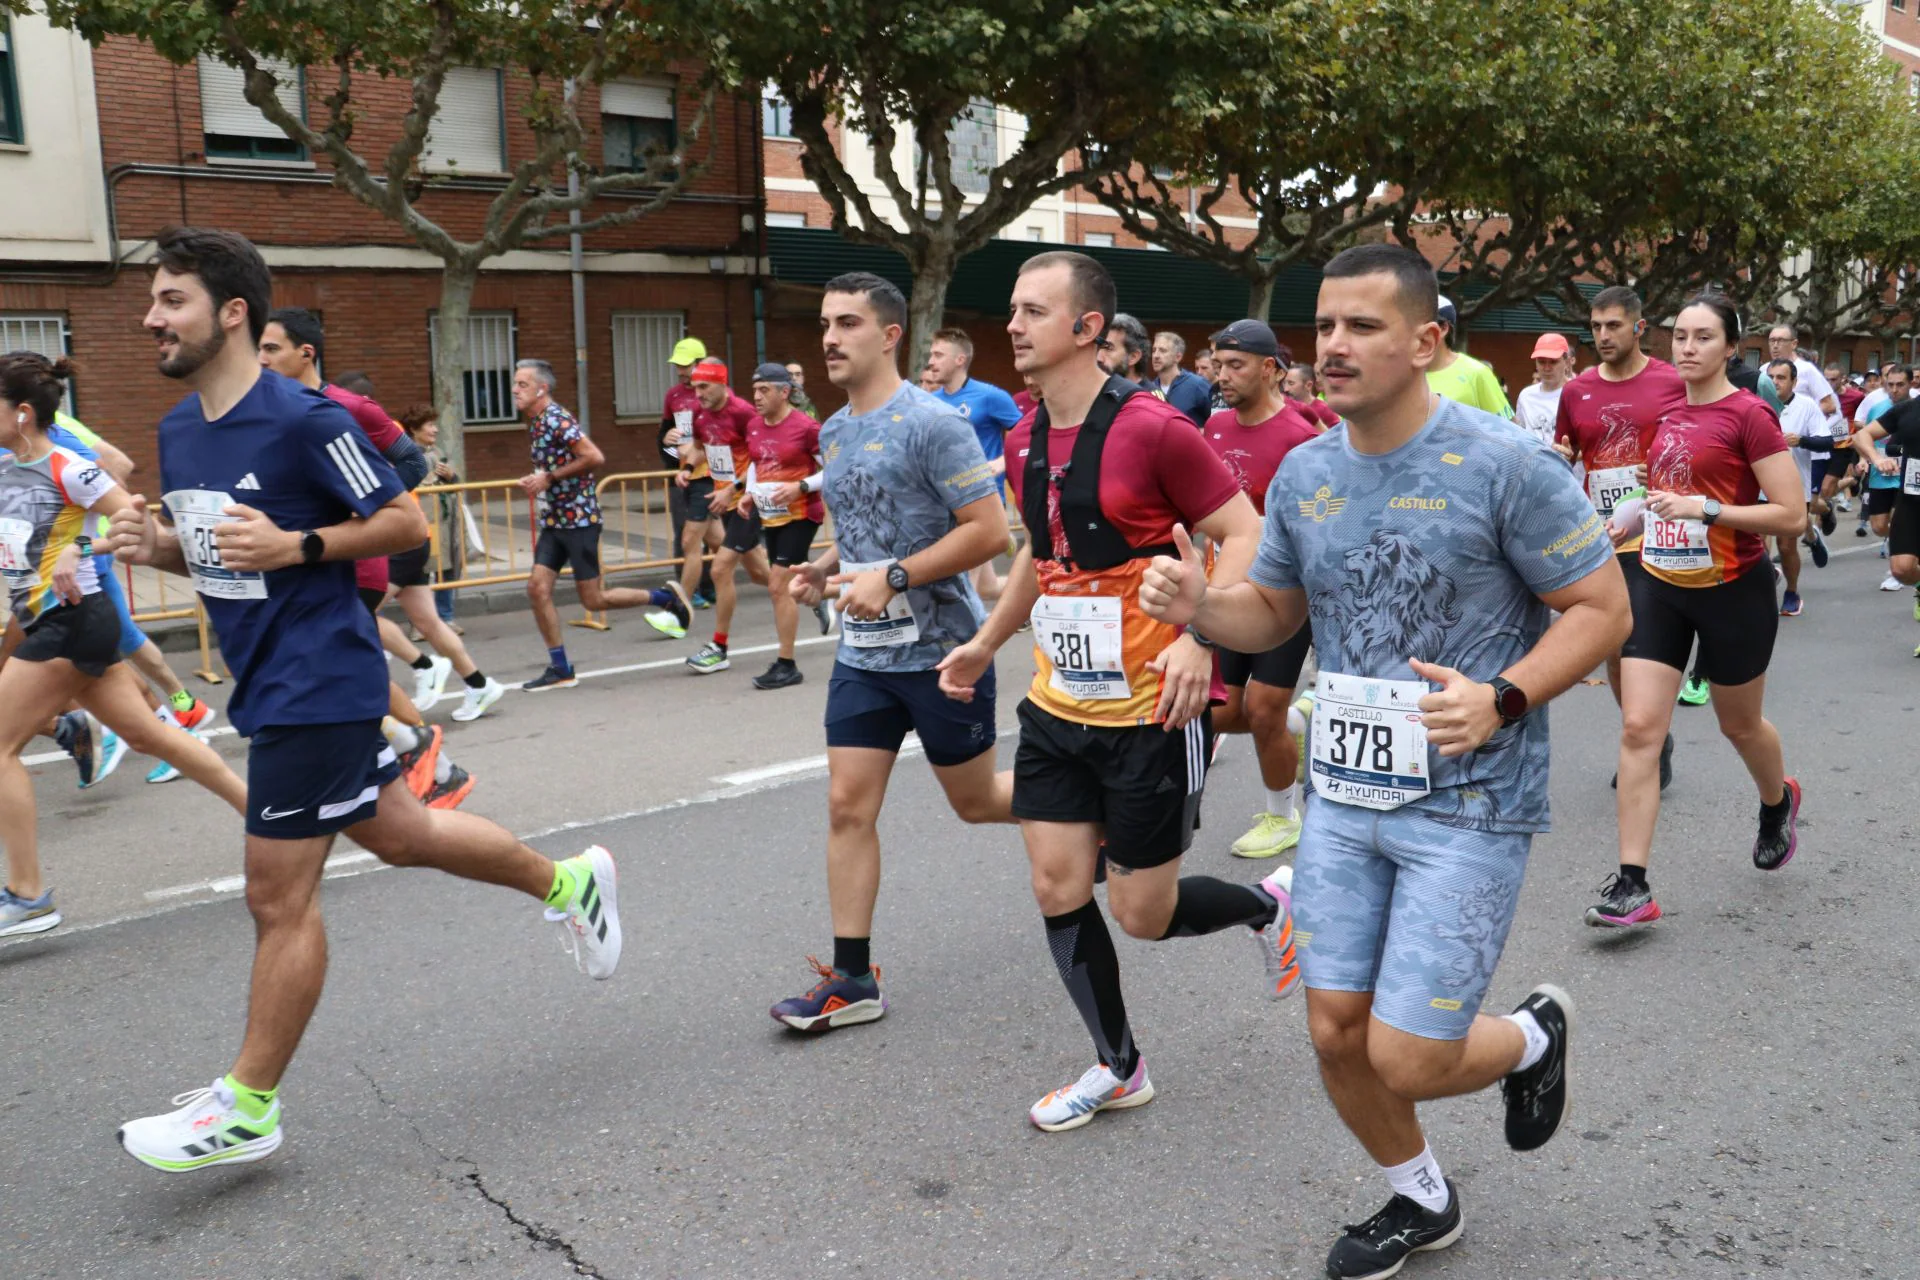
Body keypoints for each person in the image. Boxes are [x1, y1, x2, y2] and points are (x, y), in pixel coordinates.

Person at [1138, 243, 1624, 1278]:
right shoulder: (1308, 471)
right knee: (1335, 1031)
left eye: (1363, 326)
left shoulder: (1506, 464)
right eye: (1325, 327)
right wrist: (1200, 607)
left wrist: (1503, 698)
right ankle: (1422, 1196)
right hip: (1346, 796)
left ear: (1425, 341)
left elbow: (1603, 608)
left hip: (1471, 798)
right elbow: (1273, 608)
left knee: (1408, 1051)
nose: (1336, 347)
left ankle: (1532, 1036)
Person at [106, 226, 621, 1171]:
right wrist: (161, 549)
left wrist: (301, 547)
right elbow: (218, 550)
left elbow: (399, 517)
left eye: (170, 299)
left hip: (321, 678)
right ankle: (571, 882)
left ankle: (249, 1107)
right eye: (152, 300)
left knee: (277, 896)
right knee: (404, 834)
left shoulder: (308, 421)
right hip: (267, 675)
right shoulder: (180, 432)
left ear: (232, 313)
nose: (151, 318)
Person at [935, 252, 1296, 1132]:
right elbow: (1041, 554)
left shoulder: (1154, 428)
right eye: (1013, 310)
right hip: (1058, 709)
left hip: (1150, 713)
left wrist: (1198, 635)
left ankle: (1268, 906)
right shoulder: (1022, 434)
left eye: (1032, 310)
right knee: (1056, 885)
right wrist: (984, 645)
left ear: (1088, 328)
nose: (1012, 325)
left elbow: (1241, 534)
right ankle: (1118, 1065)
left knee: (1142, 913)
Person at [768, 270, 1014, 1032]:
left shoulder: (934, 423)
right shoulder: (834, 430)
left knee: (975, 805)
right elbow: (867, 533)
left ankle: (1099, 814)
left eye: (847, 323)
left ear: (890, 335)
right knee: (847, 806)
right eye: (825, 323)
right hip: (867, 657)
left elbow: (990, 531)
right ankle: (852, 978)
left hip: (943, 651)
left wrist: (897, 575)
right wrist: (827, 569)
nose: (830, 338)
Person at [0, 351, 248, 938]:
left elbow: (136, 522)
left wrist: (82, 549)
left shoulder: (69, 467)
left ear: (23, 414)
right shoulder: (5, 467)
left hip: (75, 619)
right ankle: (267, 818)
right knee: (148, 733)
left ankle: (29, 894)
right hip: (42, 622)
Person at [1591, 293, 1805, 933]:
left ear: (1731, 348)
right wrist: (1626, 517)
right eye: (1679, 336)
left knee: (1739, 726)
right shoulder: (1667, 411)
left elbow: (1790, 514)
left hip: (1733, 586)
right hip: (1659, 581)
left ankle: (1777, 800)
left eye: (1703, 337)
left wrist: (1708, 513)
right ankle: (1633, 884)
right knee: (1639, 728)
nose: (1686, 347)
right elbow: (1660, 485)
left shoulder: (1751, 415)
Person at [257, 309, 471, 806]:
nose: (261, 359)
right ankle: (425, 761)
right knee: (349, 669)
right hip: (306, 561)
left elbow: (414, 461)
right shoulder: (272, 408)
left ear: (306, 353)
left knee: (330, 670)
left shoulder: (350, 407)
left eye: (271, 349)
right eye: (259, 350)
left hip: (356, 560)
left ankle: (414, 757)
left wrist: (367, 513)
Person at [1193, 319, 1318, 860]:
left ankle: (1282, 816)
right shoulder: (1213, 429)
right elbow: (1201, 512)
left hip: (1283, 595)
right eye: (1217, 365)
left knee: (1262, 709)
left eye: (1235, 365)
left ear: (1270, 369)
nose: (1222, 376)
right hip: (1224, 593)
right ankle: (1300, 722)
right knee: (1218, 710)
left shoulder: (1303, 438)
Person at [1553, 284, 1694, 752]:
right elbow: (1568, 452)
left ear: (1639, 328)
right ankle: (1650, 732)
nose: (1603, 335)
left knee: (1643, 637)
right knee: (1614, 645)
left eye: (1613, 325)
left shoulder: (1673, 382)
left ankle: (1645, 735)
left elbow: (1698, 439)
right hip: (1606, 530)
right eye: (1595, 327)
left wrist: (1667, 464)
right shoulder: (1576, 391)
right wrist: (1557, 456)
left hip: (1664, 524)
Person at [515, 359, 687, 690]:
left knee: (594, 600)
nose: (515, 390)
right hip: (555, 519)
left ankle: (663, 598)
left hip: (579, 519)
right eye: (515, 384)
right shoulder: (536, 421)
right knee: (537, 588)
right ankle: (561, 667)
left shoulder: (557, 419)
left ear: (542, 388)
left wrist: (549, 478)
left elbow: (595, 457)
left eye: (522, 385)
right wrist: (539, 480)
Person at [390, 406, 504, 722]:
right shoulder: (388, 435)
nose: (435, 430)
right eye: (429, 425)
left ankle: (422, 665)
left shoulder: (384, 434)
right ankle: (477, 684)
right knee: (430, 622)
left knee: (353, 613)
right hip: (410, 536)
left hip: (400, 538)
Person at [739, 363, 828, 689]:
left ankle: (787, 664)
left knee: (778, 585)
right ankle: (820, 594)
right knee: (786, 584)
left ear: (784, 392)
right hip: (771, 514)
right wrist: (749, 494)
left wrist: (801, 487)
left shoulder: (806, 428)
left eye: (764, 390)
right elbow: (755, 462)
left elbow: (834, 470)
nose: (757, 397)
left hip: (802, 514)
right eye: (755, 391)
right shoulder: (753, 426)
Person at [681, 360, 772, 675]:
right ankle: (818, 591)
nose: (698, 393)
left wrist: (731, 488)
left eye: (704, 386)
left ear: (722, 383)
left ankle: (718, 647)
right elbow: (698, 447)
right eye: (695, 387)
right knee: (763, 575)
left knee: (720, 569)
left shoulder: (744, 412)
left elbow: (762, 460)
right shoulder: (701, 414)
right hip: (727, 503)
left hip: (748, 501)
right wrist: (686, 469)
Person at [926, 327, 1023, 603]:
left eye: (938, 354)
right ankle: (1039, 589)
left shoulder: (990, 396)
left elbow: (1025, 435)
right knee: (986, 589)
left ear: (959, 360)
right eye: (931, 354)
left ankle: (965, 644)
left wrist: (1001, 462)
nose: (931, 361)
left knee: (962, 588)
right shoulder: (930, 402)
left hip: (982, 502)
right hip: (946, 503)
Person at [1767, 360, 1835, 617]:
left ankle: (1792, 591)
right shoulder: (1755, 404)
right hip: (1761, 487)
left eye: (1781, 377)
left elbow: (1827, 442)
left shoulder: (1806, 406)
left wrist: (1801, 440)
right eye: (1771, 377)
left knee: (1785, 547)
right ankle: (1766, 583)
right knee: (1759, 546)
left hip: (1794, 487)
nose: (1775, 382)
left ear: (1794, 382)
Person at [1852, 364, 1920, 596]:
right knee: (1901, 569)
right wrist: (1875, 457)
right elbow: (1862, 435)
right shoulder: (1907, 410)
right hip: (1912, 498)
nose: (1894, 389)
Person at [660, 338, 717, 608]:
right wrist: (666, 439)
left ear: (700, 364)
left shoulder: (715, 394)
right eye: (678, 366)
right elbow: (664, 435)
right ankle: (686, 593)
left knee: (716, 538)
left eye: (686, 365)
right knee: (686, 534)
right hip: (683, 474)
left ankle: (707, 585)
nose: (681, 371)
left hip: (713, 475)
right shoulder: (673, 396)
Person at [1425, 296, 1513, 418]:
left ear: (1444, 328)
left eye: (1424, 325)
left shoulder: (1476, 373)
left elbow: (1510, 431)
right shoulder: (1403, 376)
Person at [1513, 333, 1573, 445]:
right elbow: (1520, 433)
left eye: (1553, 361)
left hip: (1567, 462)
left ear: (1567, 362)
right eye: (1541, 362)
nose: (1547, 368)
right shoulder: (1526, 396)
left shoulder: (1578, 393)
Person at [1146, 330, 1213, 426]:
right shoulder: (1149, 389)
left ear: (1178, 357)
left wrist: (1199, 432)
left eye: (1163, 351)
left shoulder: (1198, 385)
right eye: (1154, 350)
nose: (1156, 355)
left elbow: (1218, 423)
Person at [1285, 363, 1341, 430]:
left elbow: (1339, 436)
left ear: (1308, 385)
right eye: (1284, 383)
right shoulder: (1284, 406)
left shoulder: (1324, 410)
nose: (1286, 389)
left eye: (1291, 383)